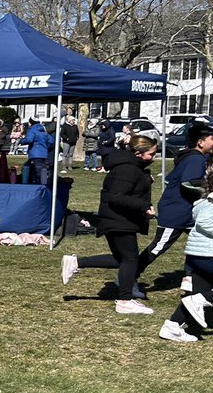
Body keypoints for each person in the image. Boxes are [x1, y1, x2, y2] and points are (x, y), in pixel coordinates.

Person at [61, 134, 159, 315]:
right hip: (118, 219)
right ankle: (124, 301)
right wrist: (144, 206)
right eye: (151, 154)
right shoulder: (128, 169)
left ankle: (75, 262)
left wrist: (145, 180)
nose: (153, 157)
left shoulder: (130, 167)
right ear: (138, 153)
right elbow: (116, 196)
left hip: (117, 218)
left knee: (123, 259)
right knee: (130, 259)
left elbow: (127, 188)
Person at [136, 120, 213, 291]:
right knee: (159, 246)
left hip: (188, 213)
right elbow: (188, 183)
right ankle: (129, 276)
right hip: (176, 212)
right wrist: (207, 188)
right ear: (200, 142)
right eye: (212, 139)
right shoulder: (195, 160)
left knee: (201, 243)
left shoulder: (194, 156)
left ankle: (190, 276)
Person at [158, 165, 213, 342]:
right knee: (198, 300)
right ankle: (200, 301)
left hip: (197, 257)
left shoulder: (204, 202)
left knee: (196, 296)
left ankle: (172, 326)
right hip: (208, 255)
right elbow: (206, 222)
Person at [22, 118, 54, 186]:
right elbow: (51, 140)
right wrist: (46, 147)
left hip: (35, 153)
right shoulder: (43, 131)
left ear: (31, 123)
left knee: (38, 170)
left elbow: (29, 140)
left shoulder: (32, 130)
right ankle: (44, 182)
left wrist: (21, 141)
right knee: (43, 169)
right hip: (44, 153)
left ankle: (39, 185)